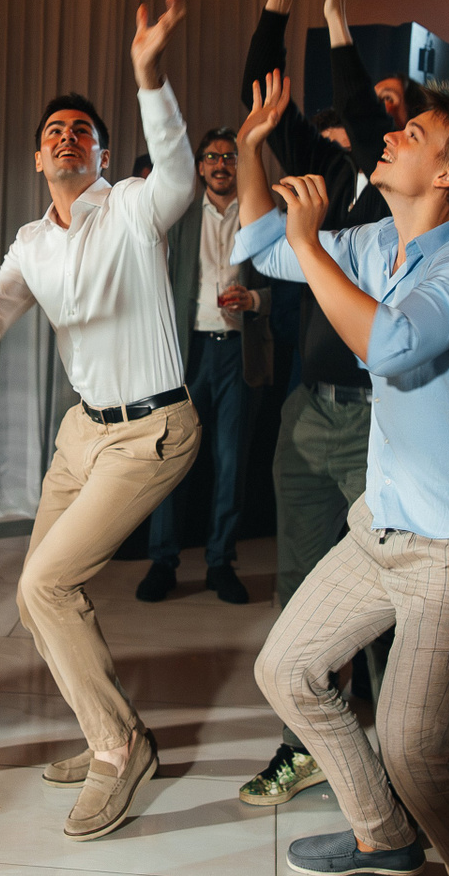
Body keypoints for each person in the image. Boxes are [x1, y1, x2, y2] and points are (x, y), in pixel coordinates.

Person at [0, 0, 196, 841]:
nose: (67, 138)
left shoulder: (136, 207)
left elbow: (179, 172)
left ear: (102, 153)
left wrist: (148, 75)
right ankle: (113, 730)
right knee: (39, 595)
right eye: (54, 132)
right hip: (82, 433)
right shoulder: (30, 242)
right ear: (38, 157)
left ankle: (119, 750)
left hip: (152, 430)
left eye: (82, 130)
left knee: (45, 583)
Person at [238, 69, 449, 876]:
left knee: (416, 753)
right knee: (286, 669)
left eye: (413, 134)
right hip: (382, 527)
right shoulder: (372, 244)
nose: (391, 134)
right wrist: (253, 149)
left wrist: (306, 242)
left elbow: (390, 346)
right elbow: (258, 250)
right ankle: (383, 835)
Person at [233, 0, 397, 808]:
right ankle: (305, 743)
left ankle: (395, 759)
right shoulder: (331, 181)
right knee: (301, 586)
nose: (376, 131)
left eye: (397, 126)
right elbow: (263, 96)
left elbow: (364, 111)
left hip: (383, 419)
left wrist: (337, 20)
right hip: (310, 409)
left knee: (384, 597)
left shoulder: (408, 210)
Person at [137, 126, 271, 605]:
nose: (221, 165)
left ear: (240, 164)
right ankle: (163, 561)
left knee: (231, 464)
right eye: (212, 157)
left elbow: (290, 284)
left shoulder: (260, 216)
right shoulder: (181, 216)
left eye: (230, 157)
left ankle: (220, 562)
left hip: (238, 351)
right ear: (199, 167)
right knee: (173, 457)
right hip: (187, 353)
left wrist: (255, 298)